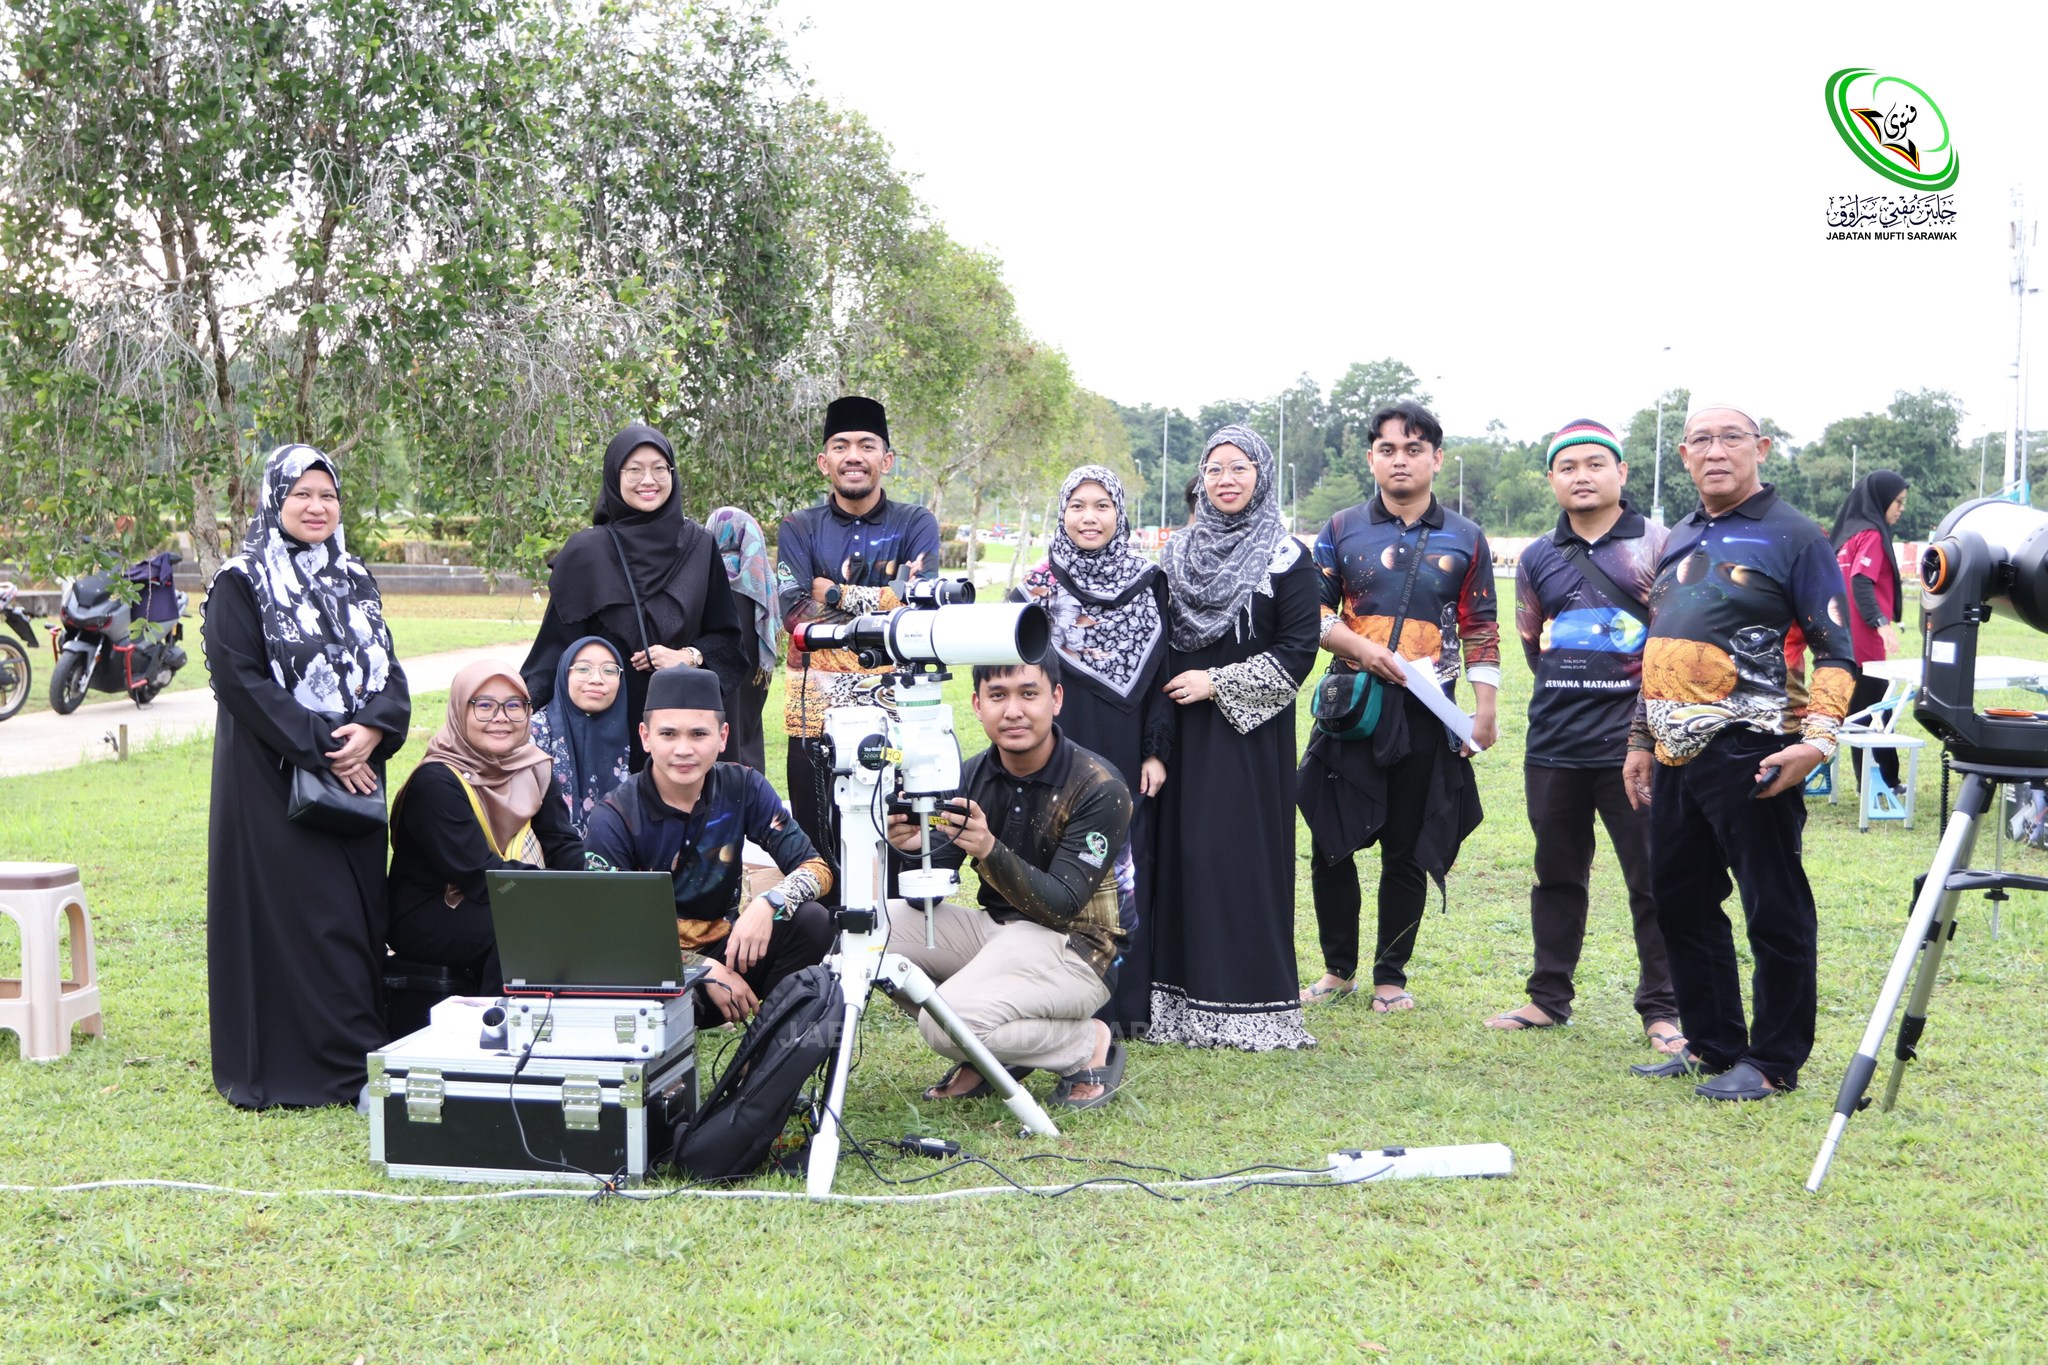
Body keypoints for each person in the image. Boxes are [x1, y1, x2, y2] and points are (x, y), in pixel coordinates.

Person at [1623, 404, 1855, 1101]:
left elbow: (1836, 650)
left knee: (1773, 905)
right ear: (1684, 455)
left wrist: (1817, 742)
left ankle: (1774, 1060)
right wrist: (1640, 738)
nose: (1716, 450)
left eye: (1732, 438)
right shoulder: (1681, 533)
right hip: (1673, 754)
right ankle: (1712, 1043)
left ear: (1762, 447)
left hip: (1755, 748)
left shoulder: (1795, 536)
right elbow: (1659, 643)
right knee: (1681, 900)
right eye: (1701, 440)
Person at [204, 443, 412, 1109]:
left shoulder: (354, 575)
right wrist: (325, 745)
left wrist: (374, 729)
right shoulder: (241, 580)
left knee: (354, 915)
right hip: (273, 779)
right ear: (275, 500)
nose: (317, 507)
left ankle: (361, 1051)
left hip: (355, 774)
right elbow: (239, 679)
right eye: (302, 494)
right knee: (305, 917)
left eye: (328, 495)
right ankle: (327, 1068)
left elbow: (388, 668)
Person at [1486, 419, 1680, 1051]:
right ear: (1551, 479)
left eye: (1596, 463)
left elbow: (1675, 643)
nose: (1582, 476)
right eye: (1567, 467)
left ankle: (1664, 1008)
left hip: (1637, 748)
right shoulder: (1537, 556)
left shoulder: (1661, 545)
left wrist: (1640, 732)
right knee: (1556, 875)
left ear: (1621, 472)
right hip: (1554, 744)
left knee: (1652, 879)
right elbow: (1533, 645)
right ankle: (1548, 998)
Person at [1298, 401, 1496, 1013]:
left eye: (1414, 449)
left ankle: (1391, 977)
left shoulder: (1467, 537)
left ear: (1437, 458)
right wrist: (1362, 649)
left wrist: (1484, 709)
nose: (1400, 460)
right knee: (1330, 838)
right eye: (1388, 449)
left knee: (1407, 847)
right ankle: (1337, 970)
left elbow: (1481, 626)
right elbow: (1313, 613)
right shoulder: (1341, 529)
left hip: (1428, 714)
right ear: (1371, 459)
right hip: (1351, 709)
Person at [883, 655, 1132, 1107]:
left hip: (1077, 949)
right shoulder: (970, 774)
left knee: (943, 1024)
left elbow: (1062, 904)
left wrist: (987, 848)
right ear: (977, 705)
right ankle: (991, 1050)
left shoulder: (1099, 786)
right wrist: (912, 849)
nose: (1013, 710)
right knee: (871, 939)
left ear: (1056, 699)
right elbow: (925, 899)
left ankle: (1086, 1044)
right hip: (997, 935)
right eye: (997, 696)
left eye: (1028, 694)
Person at [1151, 424, 1320, 1050]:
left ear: (1261, 476)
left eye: (1239, 467)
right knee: (1181, 856)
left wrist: (1217, 683)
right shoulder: (1174, 555)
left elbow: (1299, 651)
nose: (1226, 480)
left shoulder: (1286, 557)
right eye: (1214, 469)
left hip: (1247, 740)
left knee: (1233, 857)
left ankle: (1248, 1006)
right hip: (1179, 732)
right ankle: (1173, 1005)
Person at [1010, 465, 1172, 1038]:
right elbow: (1010, 675)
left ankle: (1124, 1005)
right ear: (1063, 514)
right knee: (1053, 857)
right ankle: (1052, 995)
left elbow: (1162, 675)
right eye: (1078, 505)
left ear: (1119, 514)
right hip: (1055, 747)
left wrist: (1155, 751)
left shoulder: (1148, 581)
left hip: (1124, 747)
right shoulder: (1034, 589)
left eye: (1102, 505)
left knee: (1126, 866)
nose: (1090, 517)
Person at [584, 665, 834, 1026]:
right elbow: (612, 932)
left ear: (722, 736)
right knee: (634, 985)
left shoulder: (743, 787)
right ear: (645, 737)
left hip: (730, 951)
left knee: (813, 922)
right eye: (668, 734)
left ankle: (769, 1043)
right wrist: (701, 969)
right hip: (652, 972)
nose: (683, 749)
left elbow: (816, 868)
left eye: (699, 733)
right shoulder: (615, 817)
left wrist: (769, 903)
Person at [776, 395, 941, 871]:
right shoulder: (798, 527)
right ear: (823, 461)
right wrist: (885, 604)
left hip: (896, 715)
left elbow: (918, 614)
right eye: (841, 445)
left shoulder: (915, 523)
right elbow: (795, 616)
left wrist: (835, 594)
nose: (854, 456)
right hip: (813, 716)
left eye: (867, 445)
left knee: (895, 855)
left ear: (886, 460)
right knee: (819, 855)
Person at [522, 424, 746, 770]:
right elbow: (554, 653)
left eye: (659, 468)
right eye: (635, 470)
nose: (648, 480)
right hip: (601, 731)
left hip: (677, 731)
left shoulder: (699, 547)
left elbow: (728, 642)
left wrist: (686, 656)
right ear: (615, 476)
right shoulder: (587, 552)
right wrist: (514, 709)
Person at [388, 663, 584, 991]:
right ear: (459, 710)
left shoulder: (533, 767)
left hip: (506, 893)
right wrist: (556, 895)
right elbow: (478, 874)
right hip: (431, 909)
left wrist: (593, 888)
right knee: (522, 931)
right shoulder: (436, 782)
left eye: (514, 705)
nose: (501, 717)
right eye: (484, 705)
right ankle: (505, 1020)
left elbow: (560, 843)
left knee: (576, 921)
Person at [1831, 470, 1910, 793]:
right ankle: (1885, 782)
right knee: (1876, 711)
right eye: (1898, 502)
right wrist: (1881, 623)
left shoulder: (1847, 536)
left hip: (1842, 638)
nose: (1901, 508)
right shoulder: (1872, 536)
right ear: (1881, 500)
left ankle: (1873, 781)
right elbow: (1861, 582)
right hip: (1864, 640)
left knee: (1861, 710)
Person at [528, 636, 633, 836]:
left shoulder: (635, 735)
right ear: (564, 674)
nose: (596, 679)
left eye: (609, 670)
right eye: (583, 669)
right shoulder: (536, 732)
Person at [706, 506, 778, 774]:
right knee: (749, 727)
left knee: (725, 728)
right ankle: (752, 784)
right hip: (754, 667)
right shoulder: (761, 577)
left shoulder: (710, 576)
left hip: (720, 671)